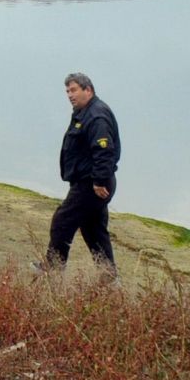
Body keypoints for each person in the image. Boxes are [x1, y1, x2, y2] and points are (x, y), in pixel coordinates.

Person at [46, 71, 119, 273]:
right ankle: (108, 277)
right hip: (92, 182)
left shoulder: (96, 115)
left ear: (88, 90)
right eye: (67, 91)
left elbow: (104, 150)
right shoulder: (84, 112)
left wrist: (99, 181)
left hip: (92, 184)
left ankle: (52, 270)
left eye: (74, 90)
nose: (70, 95)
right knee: (94, 231)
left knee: (62, 222)